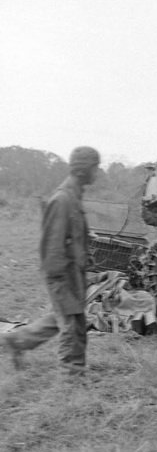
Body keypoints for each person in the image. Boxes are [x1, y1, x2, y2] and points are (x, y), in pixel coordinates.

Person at [0, 146, 100, 376]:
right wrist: (60, 280)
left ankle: (18, 341)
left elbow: (72, 237)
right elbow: (52, 244)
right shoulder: (62, 199)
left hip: (73, 272)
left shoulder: (74, 196)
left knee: (65, 317)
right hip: (62, 274)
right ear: (85, 170)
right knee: (71, 323)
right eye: (96, 167)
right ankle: (71, 374)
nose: (98, 172)